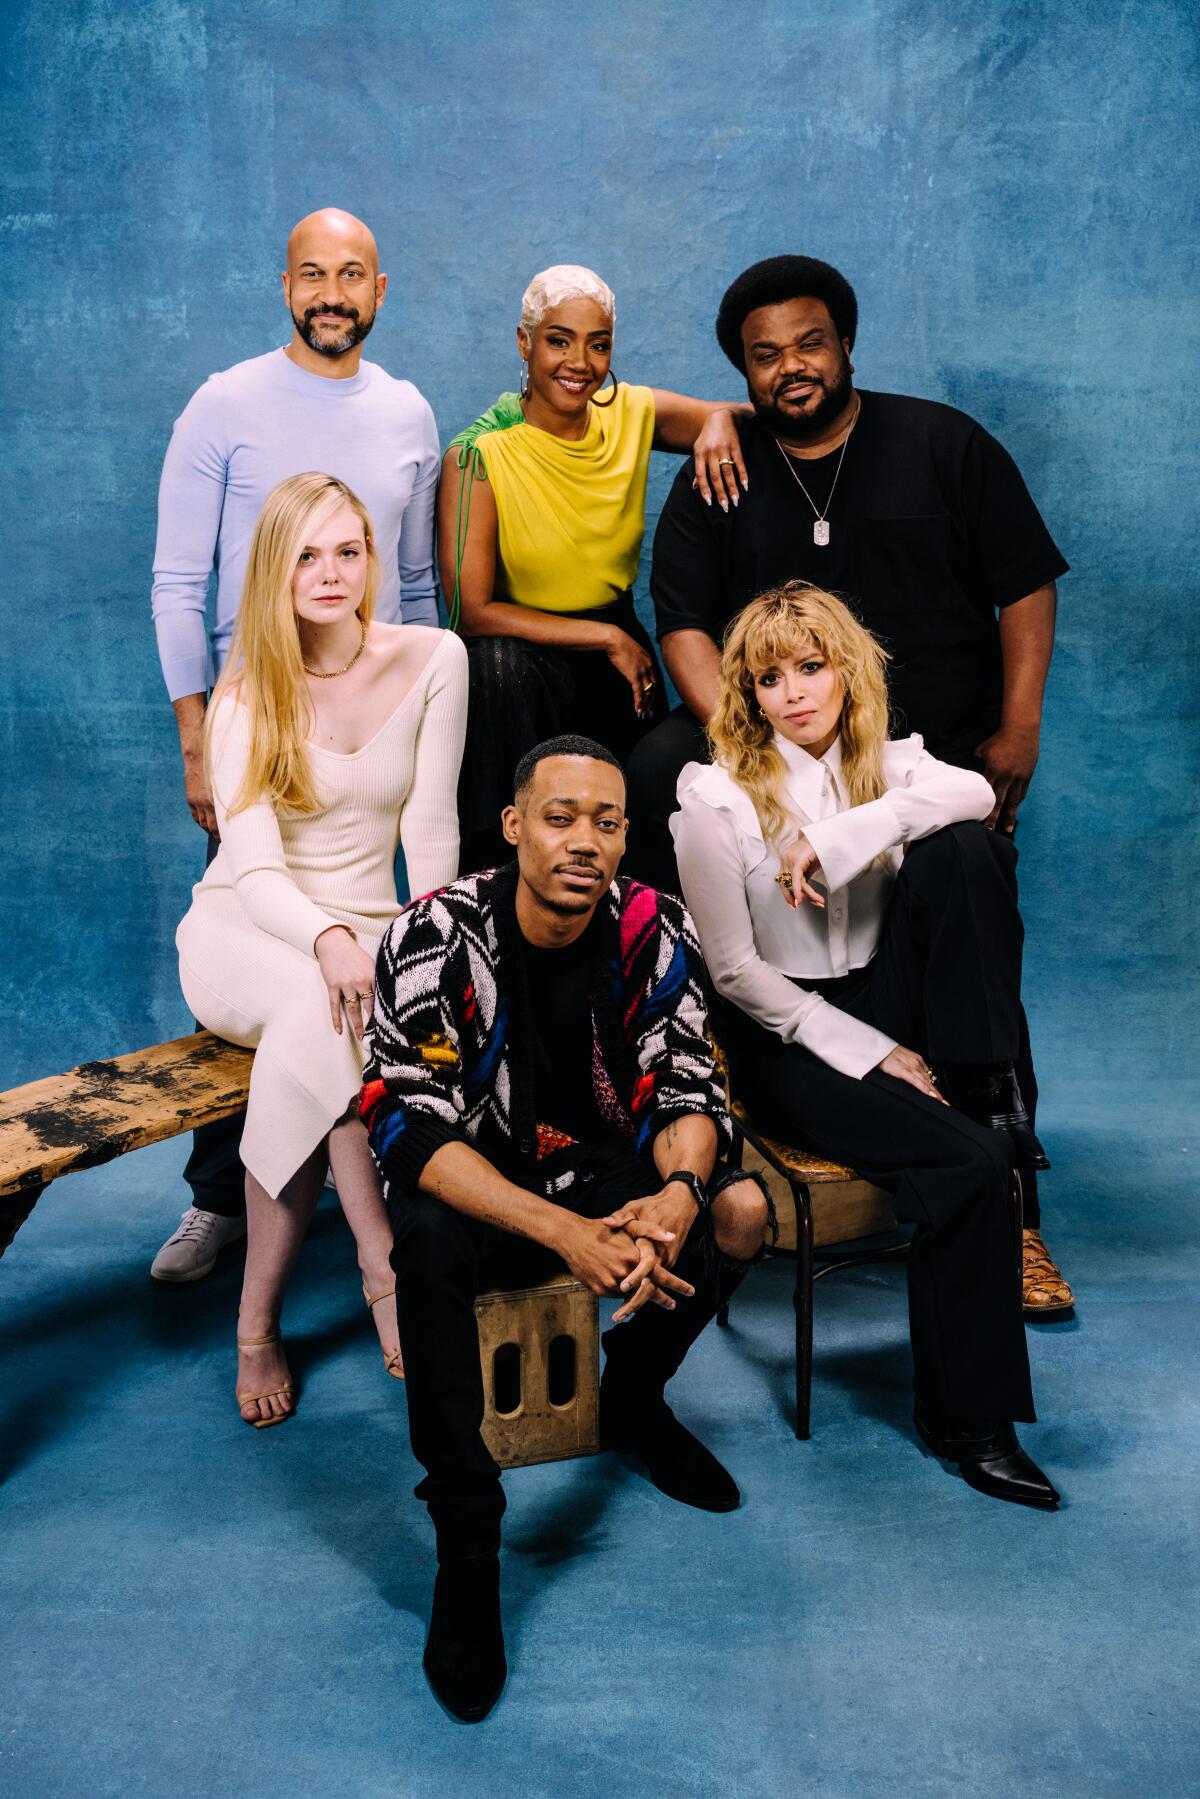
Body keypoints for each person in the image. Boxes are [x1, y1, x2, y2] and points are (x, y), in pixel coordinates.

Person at [627, 253, 1072, 1315]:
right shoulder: (721, 470)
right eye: (765, 354)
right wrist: (730, 740)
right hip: (785, 772)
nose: (791, 368)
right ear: (743, 368)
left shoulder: (942, 443)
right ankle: (689, 1088)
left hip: (931, 758)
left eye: (809, 343)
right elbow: (683, 619)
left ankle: (1004, 1185)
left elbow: (1023, 583)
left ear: (846, 343)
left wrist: (1018, 725)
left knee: (962, 858)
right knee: (652, 772)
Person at [360, 734, 770, 1722]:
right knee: (423, 1241)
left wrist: (676, 1191)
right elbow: (403, 1129)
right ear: (512, 826)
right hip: (484, 1177)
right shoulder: (433, 931)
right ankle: (469, 1535)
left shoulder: (652, 924)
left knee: (740, 1210)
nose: (584, 839)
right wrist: (563, 1233)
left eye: (606, 819)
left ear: (627, 834)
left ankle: (630, 1398)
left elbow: (688, 1080)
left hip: (607, 1172)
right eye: (559, 815)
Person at [673, 583, 1061, 1518]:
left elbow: (976, 790)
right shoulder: (711, 794)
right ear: (748, 694)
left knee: (967, 848)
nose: (794, 693)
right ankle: (969, 1424)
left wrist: (850, 829)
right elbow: (732, 973)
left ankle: (981, 1078)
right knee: (975, 1161)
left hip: (893, 995)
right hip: (790, 1032)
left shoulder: (894, 762)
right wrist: (870, 1048)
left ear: (847, 669)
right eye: (770, 677)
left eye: (811, 667)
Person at [151, 207, 442, 1283]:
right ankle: (222, 1200)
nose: (333, 292)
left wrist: (414, 713)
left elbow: (412, 590)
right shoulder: (225, 403)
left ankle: (386, 1207)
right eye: (313, 273)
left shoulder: (409, 412)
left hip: (361, 724)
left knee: (359, 971)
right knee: (268, 948)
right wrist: (194, 731)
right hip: (257, 725)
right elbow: (180, 580)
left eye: (353, 274)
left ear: (380, 287)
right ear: (286, 286)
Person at [175, 471, 466, 1427]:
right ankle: (368, 1264)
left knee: (330, 1018)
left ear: (372, 560)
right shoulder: (248, 693)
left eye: (348, 550)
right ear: (276, 570)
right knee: (316, 1003)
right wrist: (332, 937)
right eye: (306, 554)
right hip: (247, 931)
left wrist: (426, 955)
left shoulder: (435, 659)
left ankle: (268, 1313)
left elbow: (430, 838)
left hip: (371, 934)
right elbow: (254, 873)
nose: (330, 572)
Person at [438, 263, 751, 874]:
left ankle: (637, 940)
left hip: (615, 645)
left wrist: (716, 420)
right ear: (524, 342)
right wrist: (607, 637)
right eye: (559, 340)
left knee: (643, 815)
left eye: (598, 343)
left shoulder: (631, 413)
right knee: (496, 674)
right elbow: (469, 612)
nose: (579, 361)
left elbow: (749, 415)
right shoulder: (477, 454)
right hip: (519, 657)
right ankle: (500, 902)